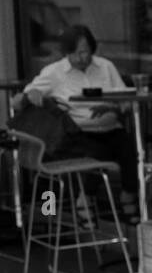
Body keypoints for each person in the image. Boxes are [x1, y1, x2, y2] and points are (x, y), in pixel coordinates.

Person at [20, 25, 139, 218]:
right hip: (79, 131)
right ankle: (85, 199)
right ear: (67, 53)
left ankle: (128, 196)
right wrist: (33, 93)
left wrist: (115, 107)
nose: (82, 58)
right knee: (97, 153)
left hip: (109, 126)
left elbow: (123, 97)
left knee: (129, 150)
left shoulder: (105, 66)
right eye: (77, 53)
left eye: (86, 52)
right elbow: (25, 96)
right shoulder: (54, 72)